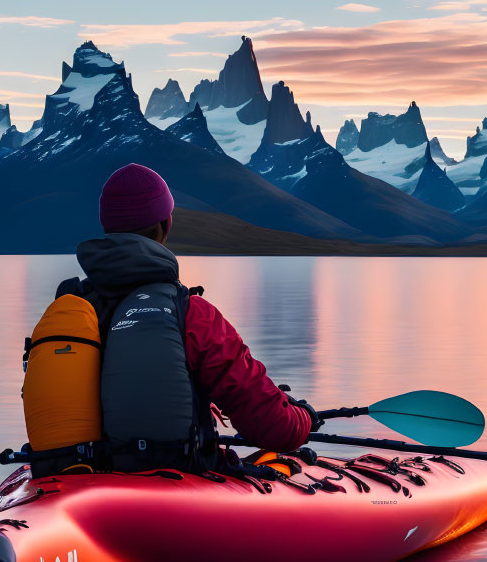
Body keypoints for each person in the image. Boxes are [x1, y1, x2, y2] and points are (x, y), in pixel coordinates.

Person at [34, 162, 316, 477]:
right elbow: (277, 429)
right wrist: (302, 417)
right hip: (177, 491)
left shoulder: (71, 311)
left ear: (106, 226)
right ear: (166, 225)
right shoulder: (193, 315)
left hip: (79, 486)